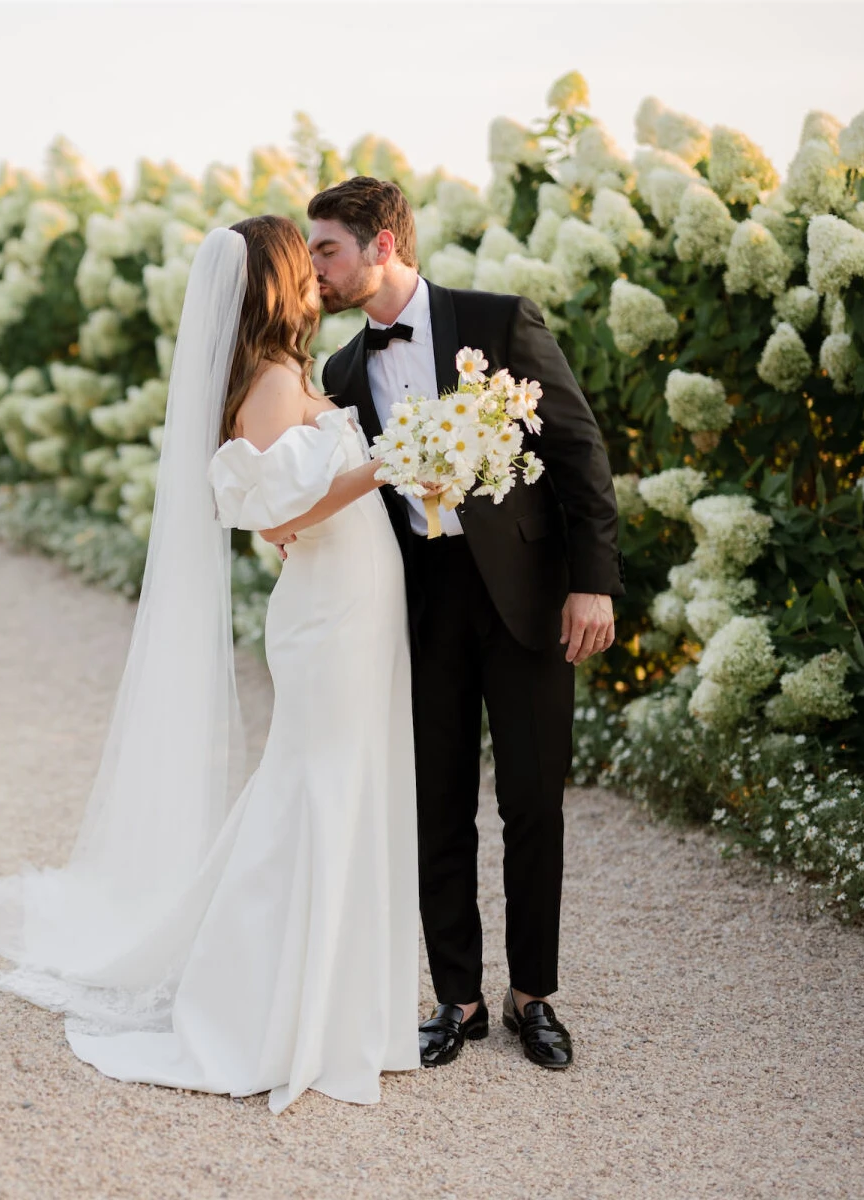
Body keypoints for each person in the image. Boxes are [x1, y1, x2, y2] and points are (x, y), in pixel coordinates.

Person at [0, 215, 420, 1113]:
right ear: (280, 279)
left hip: (360, 601)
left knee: (347, 779)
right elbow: (274, 517)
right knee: (313, 784)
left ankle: (339, 1003)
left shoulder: (294, 371)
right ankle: (259, 1007)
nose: (317, 278)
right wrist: (382, 468)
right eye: (306, 264)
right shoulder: (264, 380)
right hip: (328, 610)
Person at [299, 176, 622, 1070]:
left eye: (327, 248)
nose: (315, 266)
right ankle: (460, 1000)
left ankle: (535, 998)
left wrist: (591, 584)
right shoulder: (341, 373)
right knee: (437, 807)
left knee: (532, 804)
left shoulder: (499, 321)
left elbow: (578, 452)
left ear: (383, 245)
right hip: (415, 608)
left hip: (524, 598)